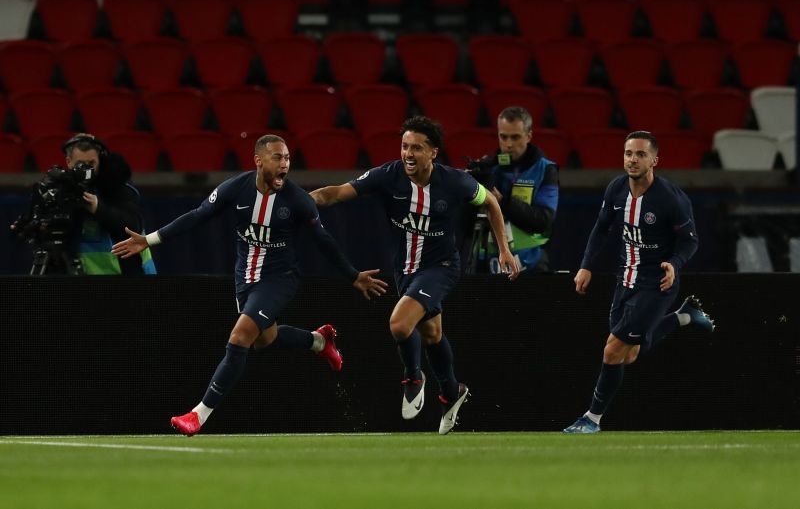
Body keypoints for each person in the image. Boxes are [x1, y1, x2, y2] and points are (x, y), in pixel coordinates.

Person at [111, 134, 388, 436]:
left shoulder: (297, 201)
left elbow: (324, 242)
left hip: (280, 279)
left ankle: (198, 415)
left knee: (241, 335)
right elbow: (197, 216)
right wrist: (148, 239)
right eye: (277, 158)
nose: (284, 164)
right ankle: (318, 341)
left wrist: (352, 275)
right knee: (264, 340)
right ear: (258, 160)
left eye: (287, 158)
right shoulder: (236, 188)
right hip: (245, 278)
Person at [311, 116, 520, 435]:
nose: (408, 153)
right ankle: (452, 392)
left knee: (399, 323)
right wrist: (300, 202)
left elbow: (490, 202)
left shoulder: (454, 182)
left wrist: (503, 249)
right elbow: (337, 193)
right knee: (433, 334)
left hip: (443, 267)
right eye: (405, 146)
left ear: (433, 152)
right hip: (405, 270)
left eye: (417, 148)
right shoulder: (388, 175)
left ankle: (413, 378)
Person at [563, 131, 715, 434]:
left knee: (612, 351)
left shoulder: (670, 199)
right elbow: (601, 228)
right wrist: (586, 266)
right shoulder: (616, 189)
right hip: (625, 279)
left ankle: (591, 419)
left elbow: (690, 241)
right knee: (628, 355)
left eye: (640, 154)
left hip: (657, 284)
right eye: (628, 153)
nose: (633, 159)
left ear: (654, 160)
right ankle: (685, 317)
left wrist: (674, 263)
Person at [11, 133, 156, 275]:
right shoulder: (62, 188)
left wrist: (98, 208)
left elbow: (132, 224)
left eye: (91, 163)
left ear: (100, 159)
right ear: (68, 162)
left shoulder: (118, 186)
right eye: (80, 164)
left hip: (125, 273)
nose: (87, 170)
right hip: (82, 274)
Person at [484, 106, 559, 274]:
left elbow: (543, 220)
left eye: (515, 137)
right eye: (503, 137)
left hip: (532, 265)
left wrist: (503, 202)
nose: (509, 144)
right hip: (489, 264)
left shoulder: (546, 170)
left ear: (529, 136)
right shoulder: (488, 170)